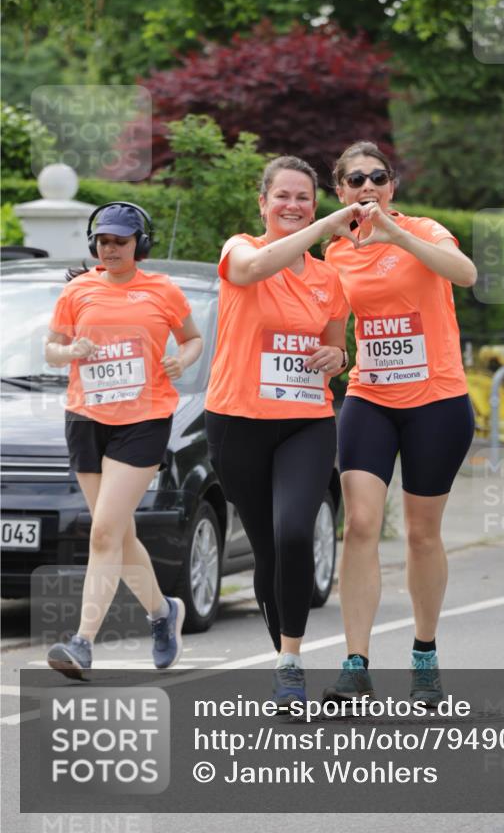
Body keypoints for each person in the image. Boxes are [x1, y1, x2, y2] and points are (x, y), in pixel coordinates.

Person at [204, 156, 363, 707]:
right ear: (263, 202)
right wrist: (325, 229)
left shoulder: (329, 279)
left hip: (306, 420)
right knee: (269, 549)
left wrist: (335, 356)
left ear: (314, 205)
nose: (294, 206)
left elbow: (338, 348)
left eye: (304, 198)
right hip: (238, 421)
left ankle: (291, 659)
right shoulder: (239, 249)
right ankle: (284, 659)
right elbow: (250, 272)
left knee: (296, 531)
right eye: (284, 196)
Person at [322, 141, 477, 707]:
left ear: (392, 186)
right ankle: (356, 663)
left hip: (437, 399)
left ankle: (425, 654)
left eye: (378, 178)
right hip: (370, 396)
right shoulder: (335, 253)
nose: (368, 188)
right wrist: (330, 357)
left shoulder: (424, 229)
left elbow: (465, 274)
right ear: (339, 190)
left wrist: (397, 235)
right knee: (360, 522)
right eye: (356, 179)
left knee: (420, 532)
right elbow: (334, 335)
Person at [44, 202, 203, 679]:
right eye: (103, 241)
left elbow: (192, 338)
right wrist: (71, 350)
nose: (110, 248)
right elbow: (52, 349)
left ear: (140, 245)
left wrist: (183, 359)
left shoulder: (162, 290)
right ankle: (163, 613)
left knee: (104, 532)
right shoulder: (78, 289)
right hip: (86, 418)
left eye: (120, 241)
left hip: (144, 420)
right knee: (119, 532)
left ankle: (82, 642)